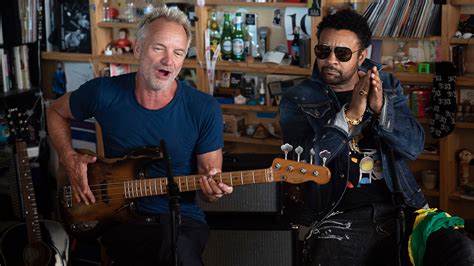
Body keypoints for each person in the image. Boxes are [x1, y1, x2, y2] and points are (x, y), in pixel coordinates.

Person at [279, 9, 474, 266]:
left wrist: (382, 109)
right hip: (337, 215)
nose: (331, 60)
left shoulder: (388, 85)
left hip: (401, 208)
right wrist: (349, 116)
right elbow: (301, 162)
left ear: (362, 56)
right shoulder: (298, 98)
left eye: (343, 53)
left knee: (461, 249)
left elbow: (414, 146)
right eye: (323, 51)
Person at [47, 6, 233, 266]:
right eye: (159, 48)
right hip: (120, 220)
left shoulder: (204, 108)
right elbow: (55, 111)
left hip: (180, 220)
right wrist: (68, 158)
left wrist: (213, 190)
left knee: (177, 253)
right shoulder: (104, 92)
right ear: (137, 49)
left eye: (178, 52)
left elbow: (209, 183)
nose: (169, 60)